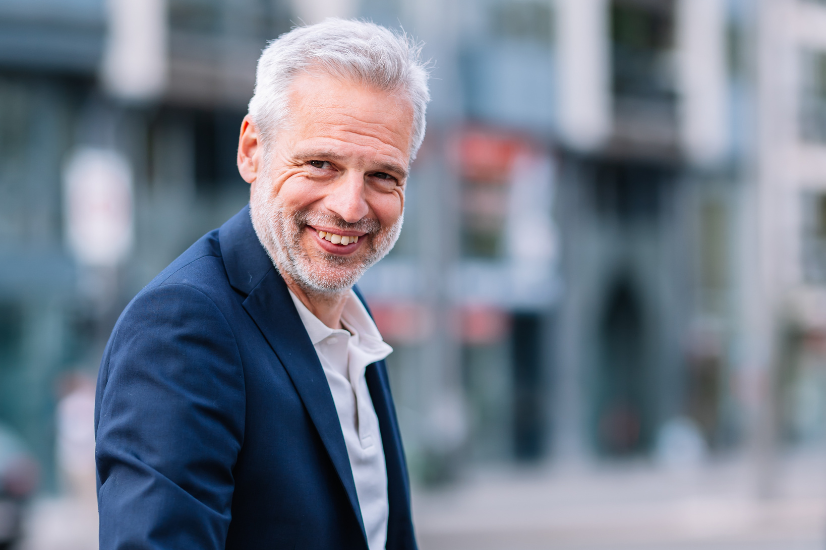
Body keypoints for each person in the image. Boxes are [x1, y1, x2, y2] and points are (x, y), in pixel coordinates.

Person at [94, 18, 429, 550]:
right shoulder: (184, 325)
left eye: (383, 176)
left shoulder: (352, 316)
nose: (350, 206)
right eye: (320, 164)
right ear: (252, 150)